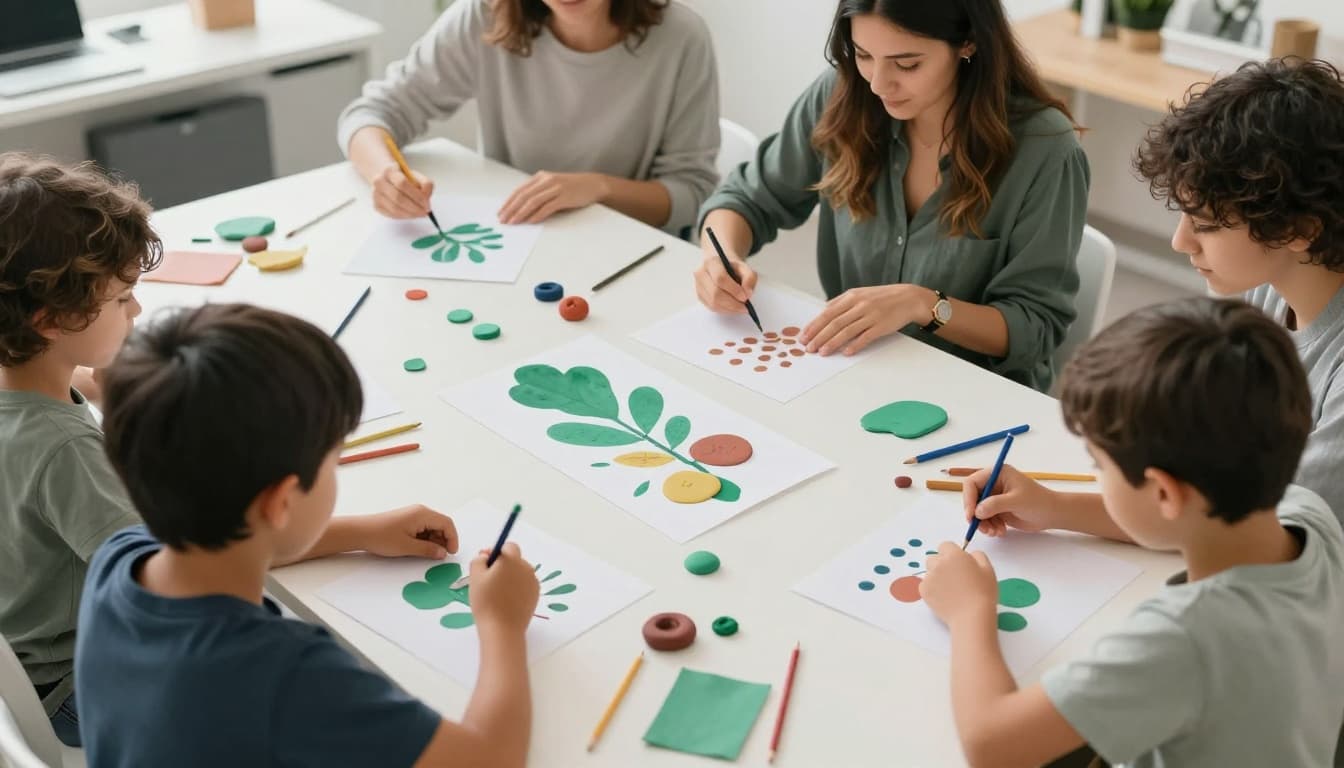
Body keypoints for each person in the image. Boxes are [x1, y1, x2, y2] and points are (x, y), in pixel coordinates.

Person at [0, 154, 462, 749]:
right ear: (49, 320)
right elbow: (199, 556)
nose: (137, 312)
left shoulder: (24, 385)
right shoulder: (65, 451)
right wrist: (362, 531)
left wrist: (115, 384)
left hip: (26, 658)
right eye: (122, 300)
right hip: (80, 684)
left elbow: (86, 389)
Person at [77, 303, 541, 766]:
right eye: (332, 461)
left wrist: (362, 532)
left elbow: (229, 547)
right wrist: (502, 623)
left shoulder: (120, 556)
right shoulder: (288, 675)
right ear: (281, 501)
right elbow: (490, 760)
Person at [923, 298, 1344, 767]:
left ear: (1163, 492)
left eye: (1099, 466)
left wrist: (969, 611)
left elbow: (992, 746)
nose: (1097, 476)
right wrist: (1055, 507)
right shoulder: (1309, 515)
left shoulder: (1184, 638)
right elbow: (1185, 517)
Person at [963, 58, 1344, 539]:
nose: (1181, 242)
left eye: (1206, 224)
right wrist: (1055, 508)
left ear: (1299, 229)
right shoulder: (1266, 284)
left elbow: (1264, 535)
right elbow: (1213, 501)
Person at [694, 0, 1089, 392]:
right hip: (853, 372)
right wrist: (720, 259)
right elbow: (746, 199)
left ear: (968, 42)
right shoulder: (842, 94)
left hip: (974, 394)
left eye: (907, 64)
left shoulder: (1044, 148)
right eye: (863, 55)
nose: (878, 84)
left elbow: (1035, 327)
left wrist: (923, 304)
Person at [338, 0, 720, 234]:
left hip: (628, 255)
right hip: (515, 240)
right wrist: (384, 174)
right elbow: (372, 112)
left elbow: (691, 192)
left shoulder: (681, 38)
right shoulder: (486, 15)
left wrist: (598, 188)